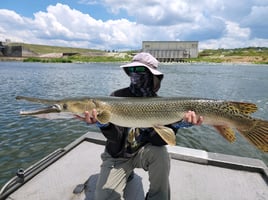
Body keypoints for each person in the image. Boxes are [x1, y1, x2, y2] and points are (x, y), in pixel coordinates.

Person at [81, 52, 203, 200]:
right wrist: (104, 125)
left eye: (140, 70)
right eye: (131, 70)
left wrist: (176, 125)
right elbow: (115, 137)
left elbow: (158, 141)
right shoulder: (116, 97)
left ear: (153, 76)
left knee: (160, 153)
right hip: (117, 155)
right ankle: (126, 172)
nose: (135, 74)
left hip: (144, 153)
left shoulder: (162, 105)